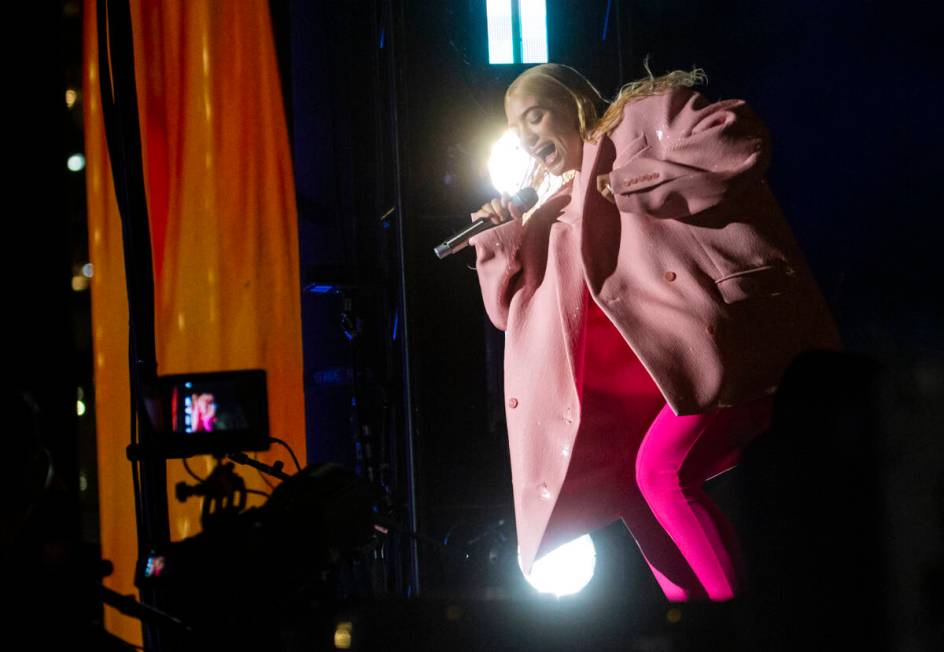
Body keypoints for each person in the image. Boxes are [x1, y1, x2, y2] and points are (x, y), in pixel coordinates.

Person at [469, 63, 841, 601]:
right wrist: (502, 239)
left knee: (661, 474)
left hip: (727, 338)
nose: (528, 138)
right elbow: (510, 314)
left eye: (535, 116)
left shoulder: (642, 119)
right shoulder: (554, 209)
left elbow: (738, 140)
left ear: (572, 103)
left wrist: (629, 182)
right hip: (659, 380)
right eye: (517, 129)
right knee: (633, 490)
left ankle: (731, 625)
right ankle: (689, 620)